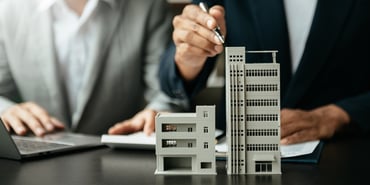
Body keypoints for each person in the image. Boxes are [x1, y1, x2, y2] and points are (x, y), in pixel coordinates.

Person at [159, 0, 370, 145]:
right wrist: (189, 59)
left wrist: (338, 116)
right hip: (235, 157)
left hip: (343, 156)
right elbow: (172, 78)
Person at [0, 0, 186, 136]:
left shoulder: (148, 6)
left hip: (117, 164)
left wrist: (157, 114)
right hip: (34, 165)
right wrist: (5, 110)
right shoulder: (7, 9)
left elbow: (167, 93)